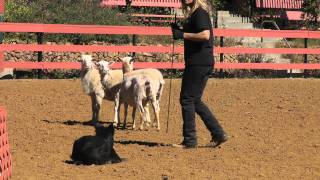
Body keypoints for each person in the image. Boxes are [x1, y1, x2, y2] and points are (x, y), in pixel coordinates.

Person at [171, 0, 228, 148]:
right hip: (201, 62)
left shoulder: (200, 13)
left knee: (187, 99)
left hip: (198, 63)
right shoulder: (196, 14)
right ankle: (218, 133)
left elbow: (204, 35)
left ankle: (190, 140)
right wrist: (180, 30)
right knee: (194, 100)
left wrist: (182, 34)